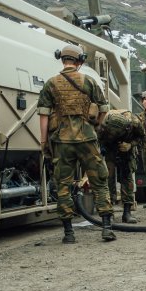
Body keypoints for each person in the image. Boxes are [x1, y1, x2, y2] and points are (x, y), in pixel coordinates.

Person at [38, 43, 115, 243]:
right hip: (87, 138)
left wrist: (44, 141)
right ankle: (106, 227)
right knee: (99, 180)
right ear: (79, 60)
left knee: (63, 185)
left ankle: (69, 233)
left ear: (62, 59)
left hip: (62, 141)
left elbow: (44, 115)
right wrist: (95, 126)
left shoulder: (51, 84)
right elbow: (104, 108)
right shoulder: (88, 81)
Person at [100, 109, 144, 223]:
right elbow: (98, 139)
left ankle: (127, 212)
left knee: (127, 179)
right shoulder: (104, 123)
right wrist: (102, 147)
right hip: (111, 149)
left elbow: (142, 138)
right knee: (108, 179)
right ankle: (109, 213)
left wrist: (130, 144)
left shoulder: (135, 123)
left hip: (127, 151)